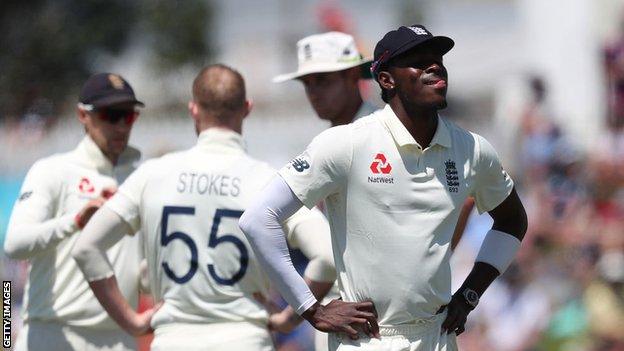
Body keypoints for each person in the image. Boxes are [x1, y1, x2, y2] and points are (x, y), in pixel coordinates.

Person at [239, 24, 528, 351]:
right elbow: (259, 218)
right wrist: (311, 309)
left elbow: (512, 220)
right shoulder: (347, 142)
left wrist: (470, 294)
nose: (433, 66)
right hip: (368, 339)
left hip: (438, 337)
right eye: (418, 61)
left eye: (437, 59)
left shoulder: (473, 149)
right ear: (386, 80)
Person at [71, 64, 337, 351]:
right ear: (247, 108)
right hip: (246, 340)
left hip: (174, 341)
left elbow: (87, 247)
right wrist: (290, 316)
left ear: (193, 109)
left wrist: (132, 322)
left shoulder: (152, 175)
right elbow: (328, 256)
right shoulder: (267, 179)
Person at [4, 73, 147, 351]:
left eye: (128, 116)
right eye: (110, 114)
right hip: (54, 334)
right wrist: (77, 220)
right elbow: (15, 244)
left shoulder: (142, 178)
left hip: (119, 338)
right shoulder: (54, 170)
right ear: (83, 115)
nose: (120, 125)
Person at [273, 31, 378, 126]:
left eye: (322, 81)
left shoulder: (382, 133)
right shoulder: (329, 141)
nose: (313, 95)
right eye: (306, 83)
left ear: (352, 75)